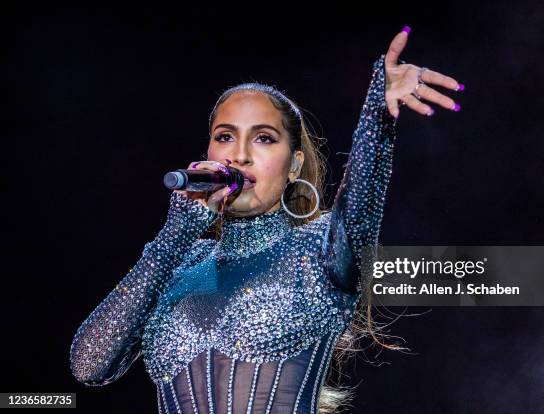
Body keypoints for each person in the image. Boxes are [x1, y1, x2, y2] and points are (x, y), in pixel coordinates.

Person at [69, 26, 463, 413]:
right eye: (225, 137)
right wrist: (175, 236)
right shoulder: (179, 266)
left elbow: (359, 207)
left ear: (294, 165)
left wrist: (379, 112)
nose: (239, 155)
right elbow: (88, 366)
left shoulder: (319, 250)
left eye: (263, 138)